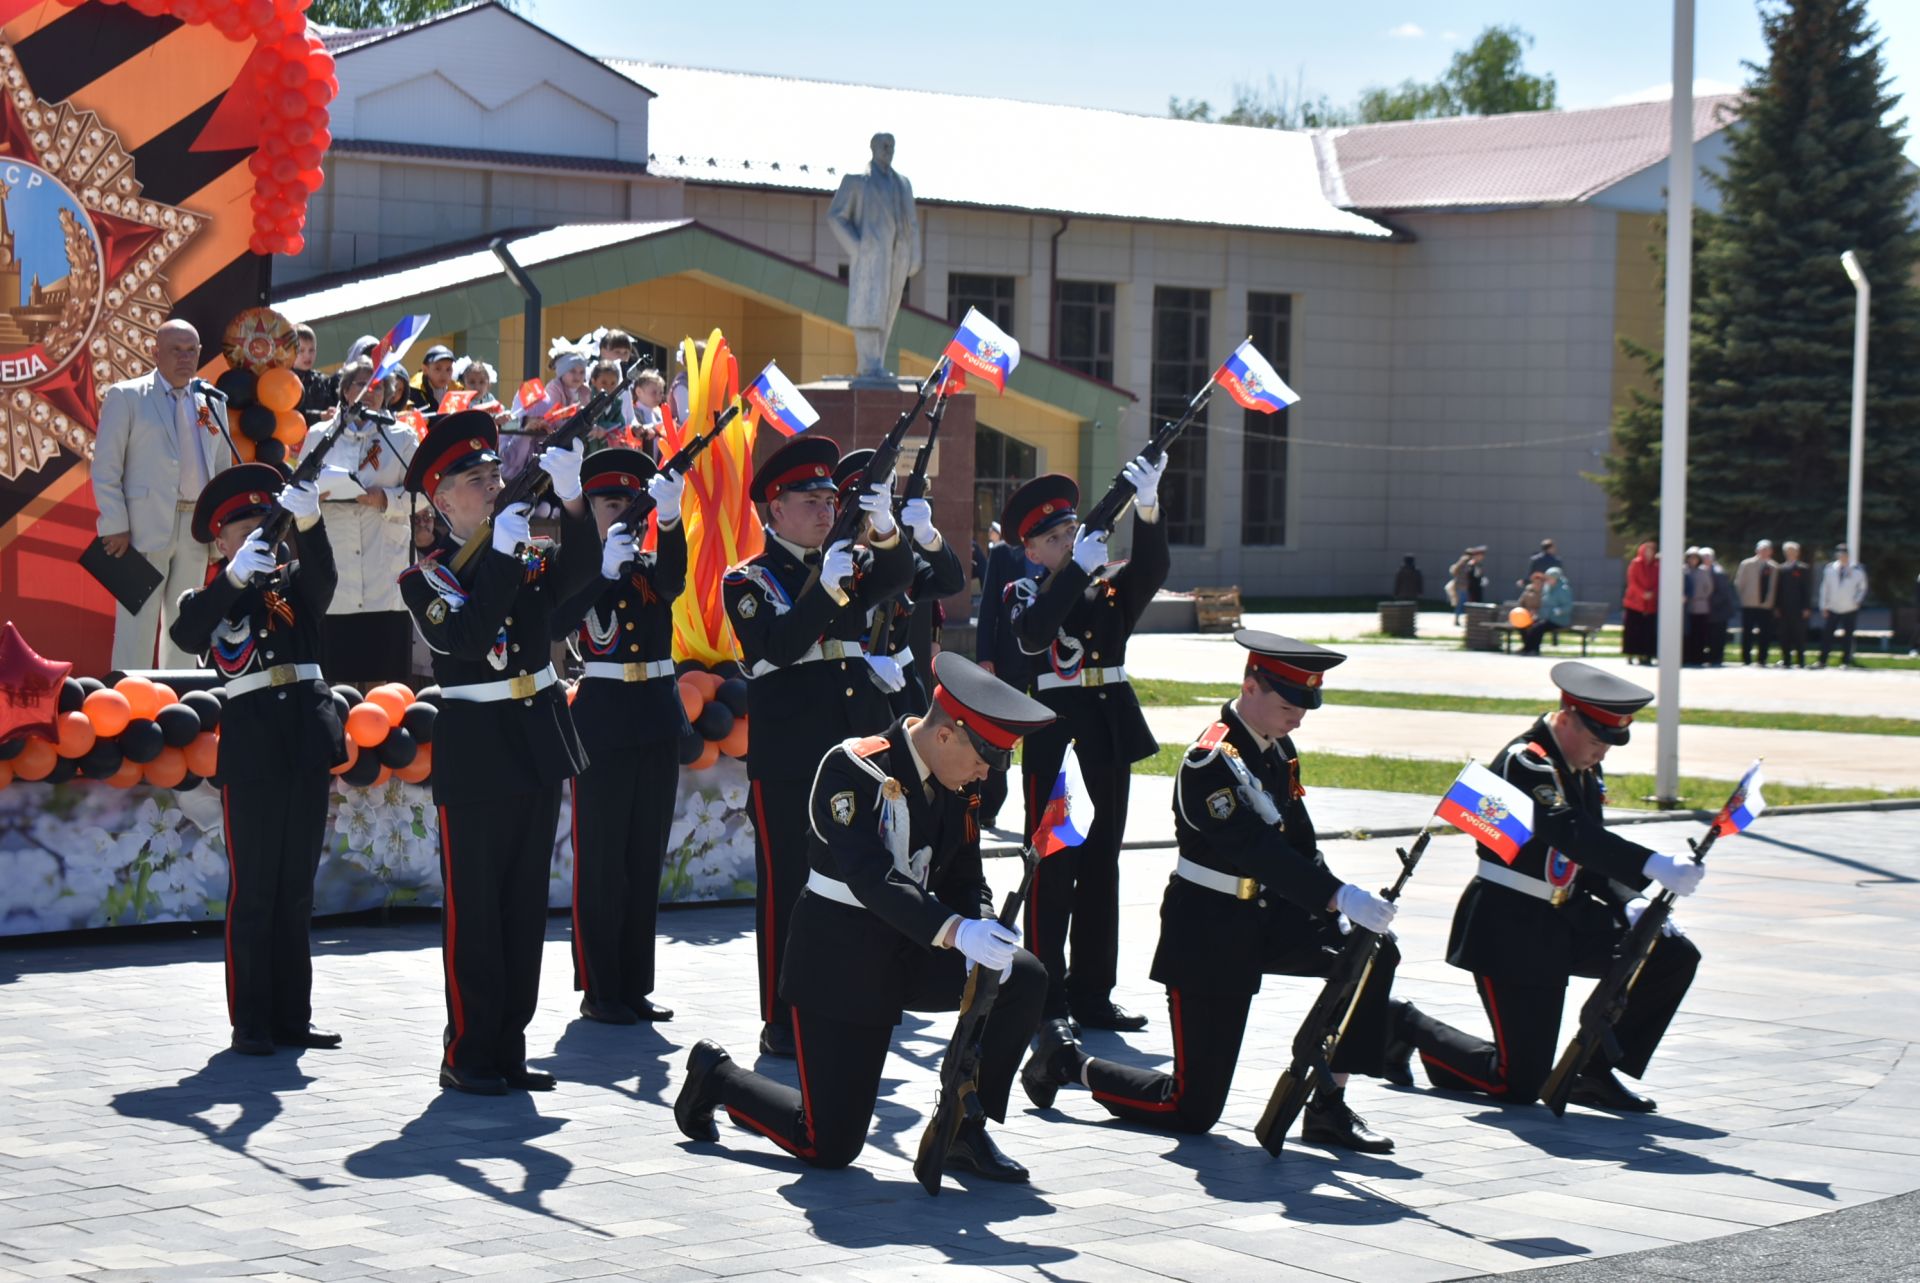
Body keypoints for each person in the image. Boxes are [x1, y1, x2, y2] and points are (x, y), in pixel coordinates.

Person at [674, 654, 1052, 1180]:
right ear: (946, 737)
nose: (985, 774)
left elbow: (965, 878)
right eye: (982, 759)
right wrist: (958, 932)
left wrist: (983, 926)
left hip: (912, 948)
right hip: (842, 958)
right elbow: (871, 877)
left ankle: (965, 1126)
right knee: (828, 1144)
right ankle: (719, 1077)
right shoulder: (854, 766)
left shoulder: (960, 784)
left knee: (1022, 975)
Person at [1021, 633, 1401, 1151]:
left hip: (1269, 917)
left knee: (1371, 952)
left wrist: (1337, 908)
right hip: (1210, 930)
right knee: (1192, 1108)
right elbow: (1256, 849)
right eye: (1289, 705)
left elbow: (1299, 843)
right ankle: (1067, 1063)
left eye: (1305, 707)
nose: (1299, 718)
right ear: (1250, 688)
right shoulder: (1210, 762)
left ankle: (1328, 1104)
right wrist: (1337, 896)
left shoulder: (1277, 749)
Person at [1386, 663, 1706, 1111]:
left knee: (1669, 953)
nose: (1600, 755)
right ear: (1567, 716)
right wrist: (1650, 863)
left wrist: (1630, 900)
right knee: (1516, 1085)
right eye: (1595, 741)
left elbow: (1588, 855)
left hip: (1567, 917)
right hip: (1512, 925)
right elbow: (1565, 830)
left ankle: (1593, 1071)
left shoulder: (1580, 768)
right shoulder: (1527, 762)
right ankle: (1404, 1024)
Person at [399, 411, 597, 1095]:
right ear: (441, 497)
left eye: (494, 475)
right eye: (476, 480)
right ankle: (469, 1050)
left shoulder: (520, 547)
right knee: (477, 908)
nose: (491, 487)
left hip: (536, 738)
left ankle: (509, 1044)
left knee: (521, 905)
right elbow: (468, 634)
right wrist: (508, 557)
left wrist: (573, 503)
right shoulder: (425, 579)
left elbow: (579, 581)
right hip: (479, 749)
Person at [723, 435, 914, 1057]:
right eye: (811, 499)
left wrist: (884, 528)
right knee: (790, 887)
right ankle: (782, 1016)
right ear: (774, 508)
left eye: (832, 499)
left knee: (867, 872)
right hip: (791, 756)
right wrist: (825, 593)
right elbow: (774, 648)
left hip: (855, 745)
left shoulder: (844, 561)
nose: (827, 510)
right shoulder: (747, 579)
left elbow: (899, 577)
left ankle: (859, 995)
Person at [168, 463, 343, 1055]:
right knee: (256, 890)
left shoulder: (296, 582)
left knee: (297, 886)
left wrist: (312, 519)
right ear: (221, 541)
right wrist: (233, 581)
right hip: (254, 747)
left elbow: (324, 584)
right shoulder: (209, 595)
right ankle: (251, 1021)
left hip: (306, 737)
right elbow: (190, 634)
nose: (257, 534)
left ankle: (294, 1016)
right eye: (243, 526)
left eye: (265, 521)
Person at [1006, 456, 1171, 1033]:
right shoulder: (1022, 591)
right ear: (1032, 552)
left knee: (1103, 863)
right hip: (1055, 736)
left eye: (1072, 532)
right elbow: (1034, 633)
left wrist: (1147, 507)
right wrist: (1074, 570)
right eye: (1054, 539)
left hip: (1108, 730)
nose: (1069, 542)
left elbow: (1152, 570)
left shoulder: (1105, 587)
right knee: (1053, 865)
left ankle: (1094, 993)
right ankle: (1043, 993)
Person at [551, 449, 687, 1024]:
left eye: (635, 504)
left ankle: (635, 984)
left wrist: (674, 519)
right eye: (613, 504)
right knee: (602, 859)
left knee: (643, 856)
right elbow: (559, 620)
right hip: (603, 722)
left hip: (655, 716)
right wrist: (599, 569)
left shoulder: (651, 564)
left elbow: (675, 583)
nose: (625, 515)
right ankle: (599, 987)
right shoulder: (577, 569)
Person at [92, 318, 239, 669]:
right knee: (136, 625)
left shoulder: (210, 401)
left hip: (195, 528)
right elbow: (106, 467)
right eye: (176, 350)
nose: (185, 358)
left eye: (192, 351)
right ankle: (129, 705)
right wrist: (114, 523)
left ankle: (184, 706)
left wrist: (224, 529)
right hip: (140, 528)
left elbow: (220, 470)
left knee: (187, 622)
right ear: (155, 352)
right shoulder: (126, 396)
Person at [293, 357, 419, 684]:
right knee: (338, 676)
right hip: (337, 560)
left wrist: (386, 499)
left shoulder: (401, 436)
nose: (368, 392)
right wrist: (314, 495)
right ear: (346, 390)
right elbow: (298, 487)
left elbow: (423, 496)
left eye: (377, 386)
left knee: (385, 677)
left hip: (384, 560)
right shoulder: (321, 434)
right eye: (360, 384)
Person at [830, 449, 965, 717]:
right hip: (846, 686)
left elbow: (951, 582)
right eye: (862, 511)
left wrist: (928, 535)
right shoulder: (834, 564)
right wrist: (863, 662)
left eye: (879, 509)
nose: (870, 520)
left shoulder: (908, 562)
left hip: (901, 686)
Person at [973, 528, 1036, 830]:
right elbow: (988, 611)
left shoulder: (1064, 551)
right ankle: (990, 804)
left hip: (1048, 664)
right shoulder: (1002, 553)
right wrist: (985, 656)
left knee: (1043, 739)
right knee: (999, 735)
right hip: (1007, 660)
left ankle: (1038, 808)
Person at [1818, 544, 1868, 669]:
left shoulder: (1857, 570)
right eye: (1839, 553)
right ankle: (1822, 661)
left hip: (1849, 608)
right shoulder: (1830, 569)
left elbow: (1862, 588)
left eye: (1844, 553)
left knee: (1848, 636)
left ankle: (1845, 661)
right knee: (1827, 635)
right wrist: (1824, 606)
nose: (1842, 556)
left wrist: (1856, 601)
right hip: (1833, 607)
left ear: (1848, 555)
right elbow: (1825, 588)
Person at [1734, 540, 1777, 666]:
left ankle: (1762, 658)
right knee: (1747, 632)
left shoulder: (1774, 567)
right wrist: (1744, 598)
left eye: (1766, 549)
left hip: (1766, 605)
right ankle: (1746, 658)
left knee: (1765, 633)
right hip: (1749, 604)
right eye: (1761, 549)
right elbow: (1739, 583)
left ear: (1771, 551)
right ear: (1756, 550)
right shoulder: (1747, 564)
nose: (1764, 552)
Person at [1772, 541, 1813, 668]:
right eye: (1788, 552)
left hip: (1799, 609)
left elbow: (1807, 589)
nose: (1790, 554)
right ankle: (1786, 660)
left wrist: (1806, 607)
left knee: (1799, 635)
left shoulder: (1803, 568)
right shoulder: (1781, 569)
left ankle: (1800, 661)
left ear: (1797, 553)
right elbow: (1777, 589)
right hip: (1784, 608)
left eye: (1793, 551)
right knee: (1784, 635)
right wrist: (1777, 606)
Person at [1521, 567, 1572, 656]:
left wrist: (1558, 611)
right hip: (1546, 618)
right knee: (1528, 624)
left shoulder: (1563, 589)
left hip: (1559, 620)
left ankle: (1533, 650)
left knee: (1538, 628)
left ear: (1556, 578)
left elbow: (1568, 606)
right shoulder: (1547, 588)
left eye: (1549, 578)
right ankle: (1528, 649)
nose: (1547, 580)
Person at [1621, 541, 1658, 665]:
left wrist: (1652, 593)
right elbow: (1632, 582)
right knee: (1633, 630)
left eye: (1651, 551)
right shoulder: (1636, 563)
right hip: (1635, 603)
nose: (1649, 553)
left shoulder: (1656, 566)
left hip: (1650, 604)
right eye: (1647, 551)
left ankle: (1646, 655)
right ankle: (1631, 653)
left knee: (1648, 631)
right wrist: (1642, 593)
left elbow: (1658, 582)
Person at [292, 323, 337, 420]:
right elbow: (293, 414)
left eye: (311, 350)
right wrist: (320, 416)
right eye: (301, 351)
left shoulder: (323, 381)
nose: (307, 355)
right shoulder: (285, 382)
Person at [1701, 548, 1736, 667]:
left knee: (1718, 636)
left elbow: (1722, 593)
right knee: (1710, 636)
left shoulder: (1718, 572)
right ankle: (1711, 658)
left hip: (1719, 611)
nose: (1705, 559)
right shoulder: (1704, 570)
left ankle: (1717, 659)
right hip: (1710, 611)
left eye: (1707, 557)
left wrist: (1707, 602)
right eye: (1703, 557)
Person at [1682, 549, 1710, 667]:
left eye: (1695, 558)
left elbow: (1708, 588)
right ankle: (1686, 656)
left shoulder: (1703, 572)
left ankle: (1698, 657)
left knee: (1699, 633)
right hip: (1686, 607)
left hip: (1700, 606)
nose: (1693, 560)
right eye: (1690, 557)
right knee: (1687, 633)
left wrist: (1701, 597)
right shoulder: (1684, 570)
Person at [410, 345, 456, 413]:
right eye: (438, 369)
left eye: (448, 369)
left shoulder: (457, 390)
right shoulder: (413, 391)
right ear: (425, 369)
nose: (444, 375)